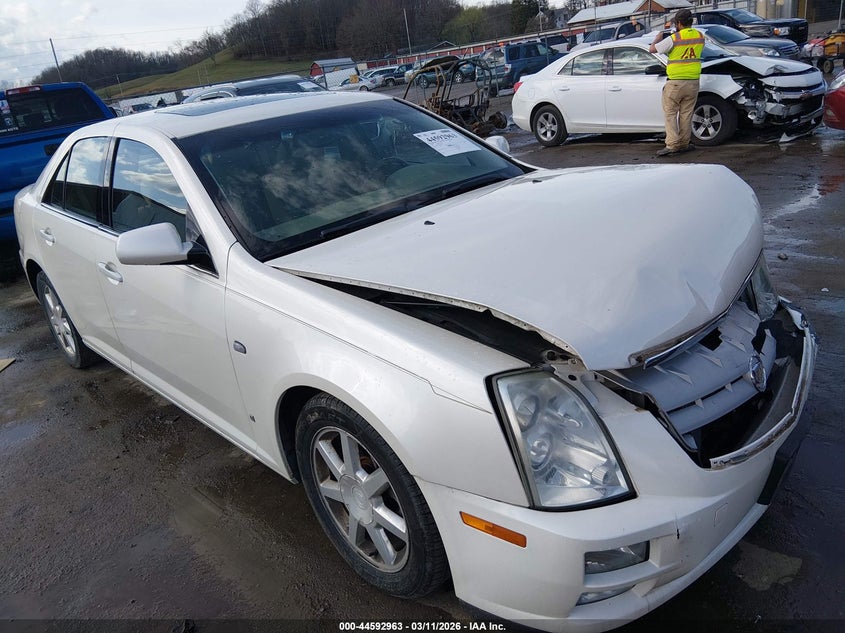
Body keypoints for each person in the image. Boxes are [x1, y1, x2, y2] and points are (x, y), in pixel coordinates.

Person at [649, 9, 704, 156]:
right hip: (693, 81)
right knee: (686, 114)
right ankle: (684, 143)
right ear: (691, 22)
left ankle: (672, 144)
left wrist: (659, 37)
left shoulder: (674, 38)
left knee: (670, 113)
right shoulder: (700, 36)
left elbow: (652, 49)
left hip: (675, 82)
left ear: (678, 23)